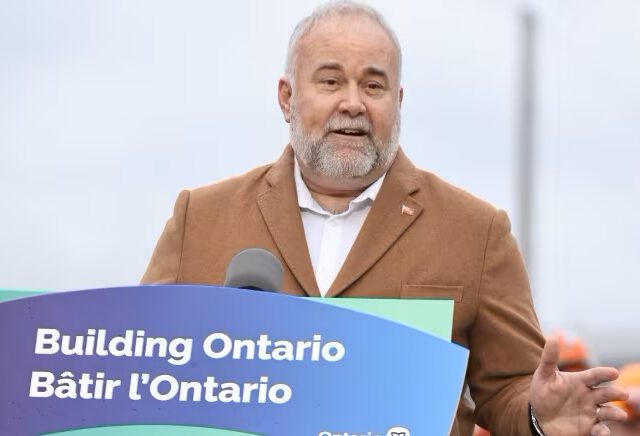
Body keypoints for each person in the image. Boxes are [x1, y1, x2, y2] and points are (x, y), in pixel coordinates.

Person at [142, 1, 628, 434]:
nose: (352, 102)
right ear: (287, 97)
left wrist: (540, 417)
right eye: (330, 80)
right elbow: (136, 363)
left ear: (398, 102)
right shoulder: (200, 219)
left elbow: (508, 390)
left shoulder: (476, 232)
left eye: (373, 85)